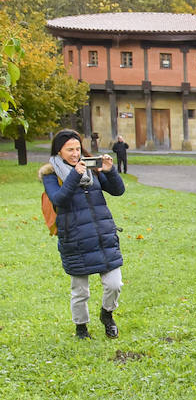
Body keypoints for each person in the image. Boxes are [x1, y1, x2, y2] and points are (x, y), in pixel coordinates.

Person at [40, 130, 125, 339]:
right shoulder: (51, 175)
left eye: (77, 148)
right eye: (70, 149)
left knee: (114, 284)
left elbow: (118, 190)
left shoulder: (91, 169)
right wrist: (74, 175)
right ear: (59, 151)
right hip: (75, 238)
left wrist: (110, 170)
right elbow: (59, 199)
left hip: (102, 234)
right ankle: (81, 328)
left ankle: (107, 315)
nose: (75, 153)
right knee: (80, 291)